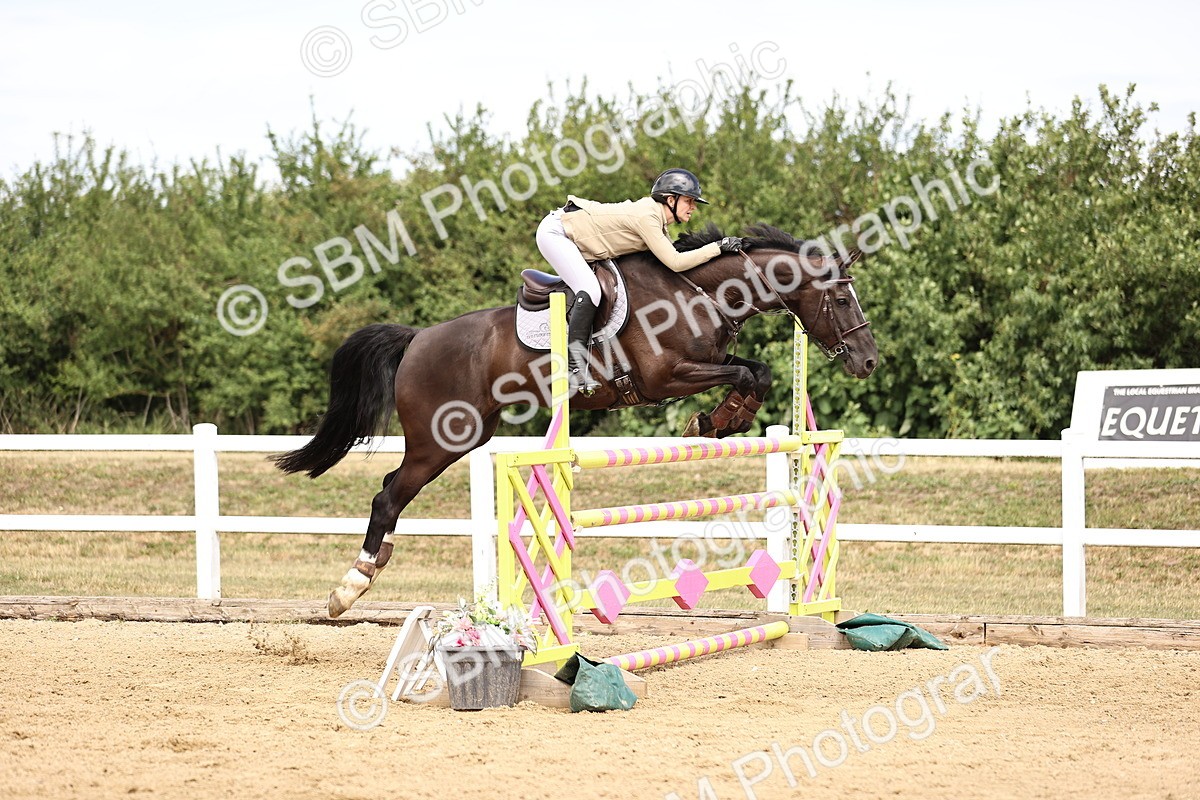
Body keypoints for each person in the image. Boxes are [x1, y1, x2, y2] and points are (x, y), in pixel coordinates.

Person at [535, 168, 744, 394]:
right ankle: (574, 368)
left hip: (576, 237)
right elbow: (675, 262)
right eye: (689, 201)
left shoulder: (657, 220)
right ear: (670, 200)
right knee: (590, 290)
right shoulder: (648, 217)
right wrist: (717, 248)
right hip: (556, 233)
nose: (693, 207)